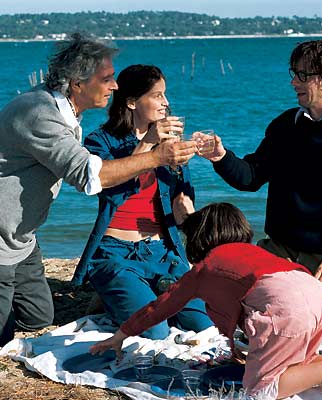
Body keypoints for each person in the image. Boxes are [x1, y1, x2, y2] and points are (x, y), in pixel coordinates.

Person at [0, 34, 198, 346]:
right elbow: (90, 177)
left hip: (18, 237)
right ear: (77, 83)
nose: (115, 86)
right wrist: (157, 156)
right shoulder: (41, 114)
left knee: (36, 317)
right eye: (106, 79)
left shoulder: (63, 108)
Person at [89, 203, 322, 400]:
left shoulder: (205, 269)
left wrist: (122, 334)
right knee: (293, 361)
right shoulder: (252, 253)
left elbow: (161, 306)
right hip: (316, 295)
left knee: (258, 391)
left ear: (198, 240)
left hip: (287, 307)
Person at [196, 39, 322, 326]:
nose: (294, 82)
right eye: (294, 73)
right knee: (247, 318)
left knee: (319, 330)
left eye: (303, 75)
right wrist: (220, 156)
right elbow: (251, 176)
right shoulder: (287, 124)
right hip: (279, 250)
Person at [72, 64, 213, 339]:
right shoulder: (101, 141)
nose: (166, 103)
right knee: (155, 332)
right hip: (116, 252)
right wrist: (148, 145)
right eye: (157, 96)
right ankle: (116, 292)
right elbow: (107, 187)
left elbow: (181, 207)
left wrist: (188, 200)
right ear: (132, 102)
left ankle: (134, 291)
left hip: (162, 252)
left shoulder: (170, 145)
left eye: (165, 95)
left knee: (205, 326)